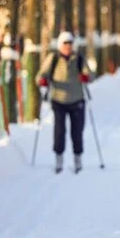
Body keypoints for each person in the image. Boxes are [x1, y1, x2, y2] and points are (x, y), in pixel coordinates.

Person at [36, 31, 90, 174]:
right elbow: (41, 74)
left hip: (77, 100)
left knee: (77, 131)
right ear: (60, 45)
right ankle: (59, 159)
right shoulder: (53, 58)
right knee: (59, 131)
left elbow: (89, 74)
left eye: (70, 43)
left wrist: (86, 77)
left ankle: (77, 158)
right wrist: (42, 80)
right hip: (58, 100)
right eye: (65, 44)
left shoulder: (78, 58)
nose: (67, 46)